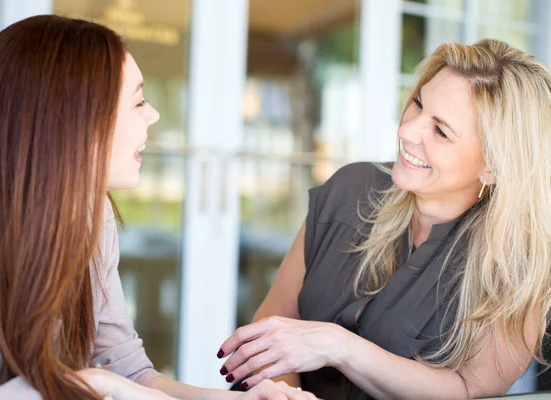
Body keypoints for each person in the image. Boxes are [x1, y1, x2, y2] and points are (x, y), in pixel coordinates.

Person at [0, 15, 319, 400]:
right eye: (138, 101)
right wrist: (89, 384)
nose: (153, 115)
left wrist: (238, 399)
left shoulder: (91, 216)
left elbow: (124, 367)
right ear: (76, 121)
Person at [217, 39, 551, 399]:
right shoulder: (348, 190)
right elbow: (272, 327)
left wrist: (339, 346)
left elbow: (468, 391)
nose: (408, 131)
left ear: (493, 167)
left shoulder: (520, 263)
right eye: (419, 104)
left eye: (440, 131)